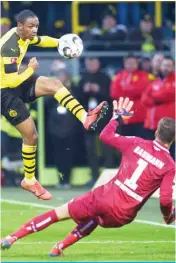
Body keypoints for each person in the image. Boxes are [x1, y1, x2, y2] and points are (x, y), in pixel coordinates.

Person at [1, 97, 175, 256]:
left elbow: (105, 136)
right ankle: (59, 247)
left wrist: (117, 118)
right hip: (123, 214)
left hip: (104, 197)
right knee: (95, 219)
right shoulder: (169, 165)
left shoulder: (136, 143)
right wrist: (168, 217)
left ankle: (12, 238)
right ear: (173, 139)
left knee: (59, 213)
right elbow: (165, 200)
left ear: (156, 132)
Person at [0, 9, 108, 200]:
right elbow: (11, 82)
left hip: (16, 81)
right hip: (5, 92)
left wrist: (60, 43)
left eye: (36, 26)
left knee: (55, 84)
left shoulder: (24, 35)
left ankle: (85, 117)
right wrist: (31, 69)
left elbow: (41, 40)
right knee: (32, 136)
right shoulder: (9, 46)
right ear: (20, 26)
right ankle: (29, 180)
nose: (34, 30)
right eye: (31, 27)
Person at [76, 57, 113, 185]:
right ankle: (94, 176)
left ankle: (108, 177)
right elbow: (77, 99)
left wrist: (99, 90)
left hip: (104, 118)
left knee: (107, 148)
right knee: (90, 148)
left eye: (93, 62)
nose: (91, 65)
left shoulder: (105, 78)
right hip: (88, 119)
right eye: (89, 63)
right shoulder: (82, 79)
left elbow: (111, 97)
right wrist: (84, 91)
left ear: (98, 63)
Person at [141, 56, 175, 160]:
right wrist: (156, 98)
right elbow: (144, 99)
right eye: (164, 65)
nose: (166, 68)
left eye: (169, 66)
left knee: (168, 154)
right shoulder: (155, 81)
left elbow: (169, 94)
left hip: (167, 126)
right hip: (151, 124)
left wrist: (154, 96)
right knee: (152, 155)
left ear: (173, 67)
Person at [110, 54, 150, 137]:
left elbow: (141, 90)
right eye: (128, 63)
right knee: (125, 144)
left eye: (133, 63)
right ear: (124, 63)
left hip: (140, 117)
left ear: (137, 64)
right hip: (124, 117)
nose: (130, 65)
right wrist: (130, 90)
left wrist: (125, 89)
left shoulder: (143, 75)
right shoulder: (119, 76)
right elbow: (114, 93)